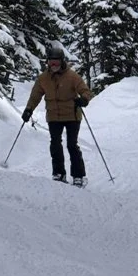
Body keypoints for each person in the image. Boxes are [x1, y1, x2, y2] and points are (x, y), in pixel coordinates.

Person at [22, 43, 93, 186]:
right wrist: (29, 109)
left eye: (56, 62)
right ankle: (59, 173)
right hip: (53, 115)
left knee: (72, 145)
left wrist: (84, 99)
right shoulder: (43, 78)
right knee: (55, 144)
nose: (53, 65)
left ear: (62, 62)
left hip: (72, 115)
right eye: (50, 62)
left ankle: (78, 176)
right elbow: (35, 95)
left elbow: (85, 91)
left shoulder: (72, 76)